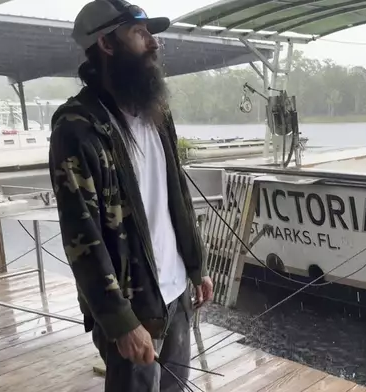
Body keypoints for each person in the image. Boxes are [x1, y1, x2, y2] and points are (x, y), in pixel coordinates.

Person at [48, 1, 214, 391]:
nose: (154, 44)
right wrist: (120, 322)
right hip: (132, 306)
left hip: (175, 294)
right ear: (107, 44)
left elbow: (175, 195)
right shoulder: (78, 126)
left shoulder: (157, 111)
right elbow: (82, 237)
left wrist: (196, 263)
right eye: (140, 34)